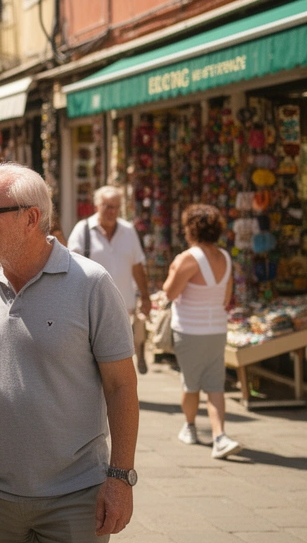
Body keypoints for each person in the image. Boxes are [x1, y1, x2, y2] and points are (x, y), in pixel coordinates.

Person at [0, 164, 138, 543]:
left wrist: (120, 478)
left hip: (75, 495)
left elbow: (122, 385)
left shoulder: (92, 284)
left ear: (31, 217)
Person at [162, 204, 241, 459]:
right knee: (215, 385)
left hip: (189, 329)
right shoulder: (225, 258)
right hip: (217, 329)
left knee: (191, 383)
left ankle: (190, 427)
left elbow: (170, 292)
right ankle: (220, 436)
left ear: (191, 228)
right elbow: (226, 297)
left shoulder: (188, 258)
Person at [68, 186, 153, 374]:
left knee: (120, 360)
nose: (112, 211)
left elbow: (138, 266)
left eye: (116, 207)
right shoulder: (83, 230)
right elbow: (71, 266)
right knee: (93, 359)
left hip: (124, 308)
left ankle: (119, 394)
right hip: (92, 307)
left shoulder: (129, 231)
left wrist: (145, 297)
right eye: (107, 206)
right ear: (97, 205)